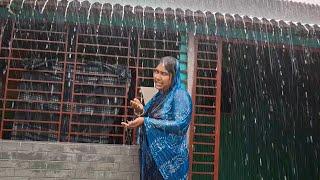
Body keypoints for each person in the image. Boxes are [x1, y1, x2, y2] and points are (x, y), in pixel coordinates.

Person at [122, 56, 192, 180]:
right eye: (156, 71)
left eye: (164, 73)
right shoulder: (158, 96)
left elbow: (181, 124)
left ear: (174, 75)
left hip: (170, 162)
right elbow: (148, 115)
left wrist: (145, 121)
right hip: (152, 160)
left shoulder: (180, 95)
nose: (157, 77)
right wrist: (140, 110)